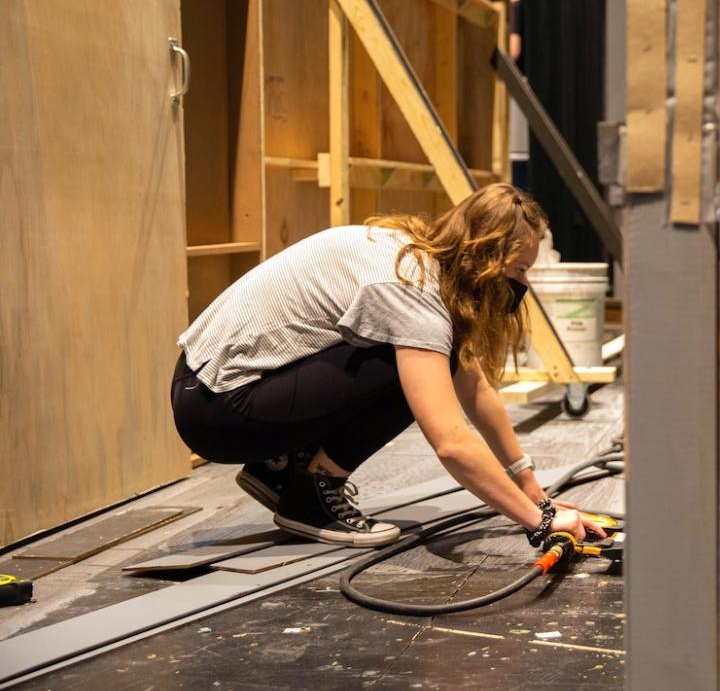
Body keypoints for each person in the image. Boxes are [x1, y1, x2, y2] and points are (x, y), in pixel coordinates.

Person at [171, 183, 605, 549]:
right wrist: (540, 522)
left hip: (210, 389)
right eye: (519, 270)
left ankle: (279, 469)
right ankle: (310, 495)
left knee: (433, 358)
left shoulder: (411, 255)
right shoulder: (412, 290)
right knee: (409, 370)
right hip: (219, 409)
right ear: (483, 257)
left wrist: (532, 490)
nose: (522, 284)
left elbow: (474, 389)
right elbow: (452, 442)